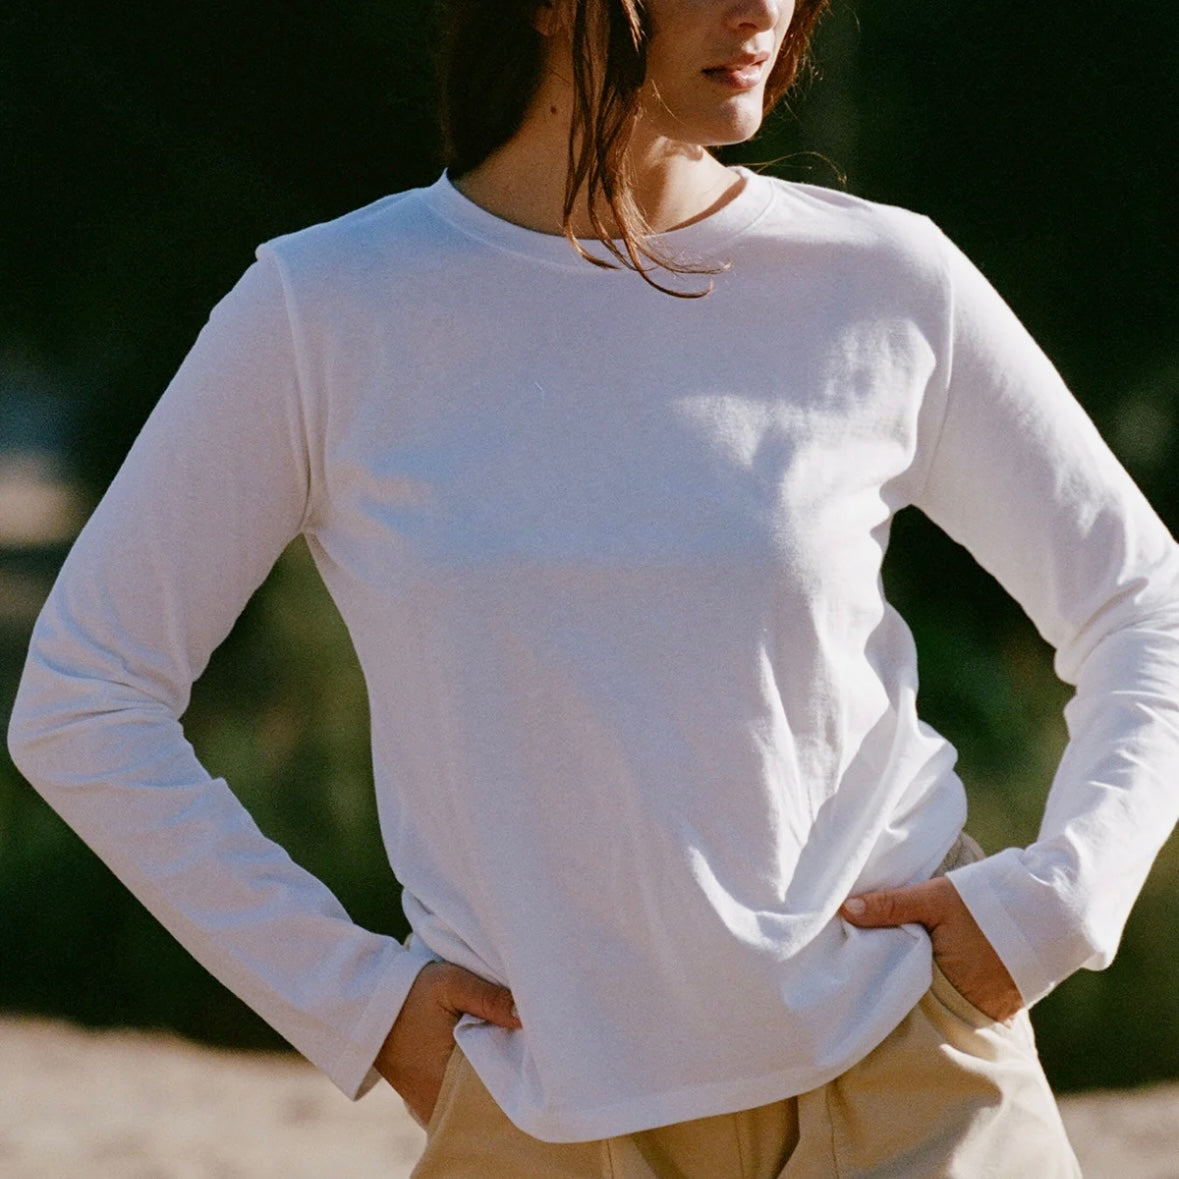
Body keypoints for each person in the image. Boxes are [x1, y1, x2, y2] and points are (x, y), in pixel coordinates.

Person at [9, 0, 1179, 1174]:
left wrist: (1059, 904)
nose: (765, 10)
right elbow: (85, 699)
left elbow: (1146, 605)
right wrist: (357, 1004)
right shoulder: (325, 312)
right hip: (540, 1117)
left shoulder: (883, 279)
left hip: (913, 1079)